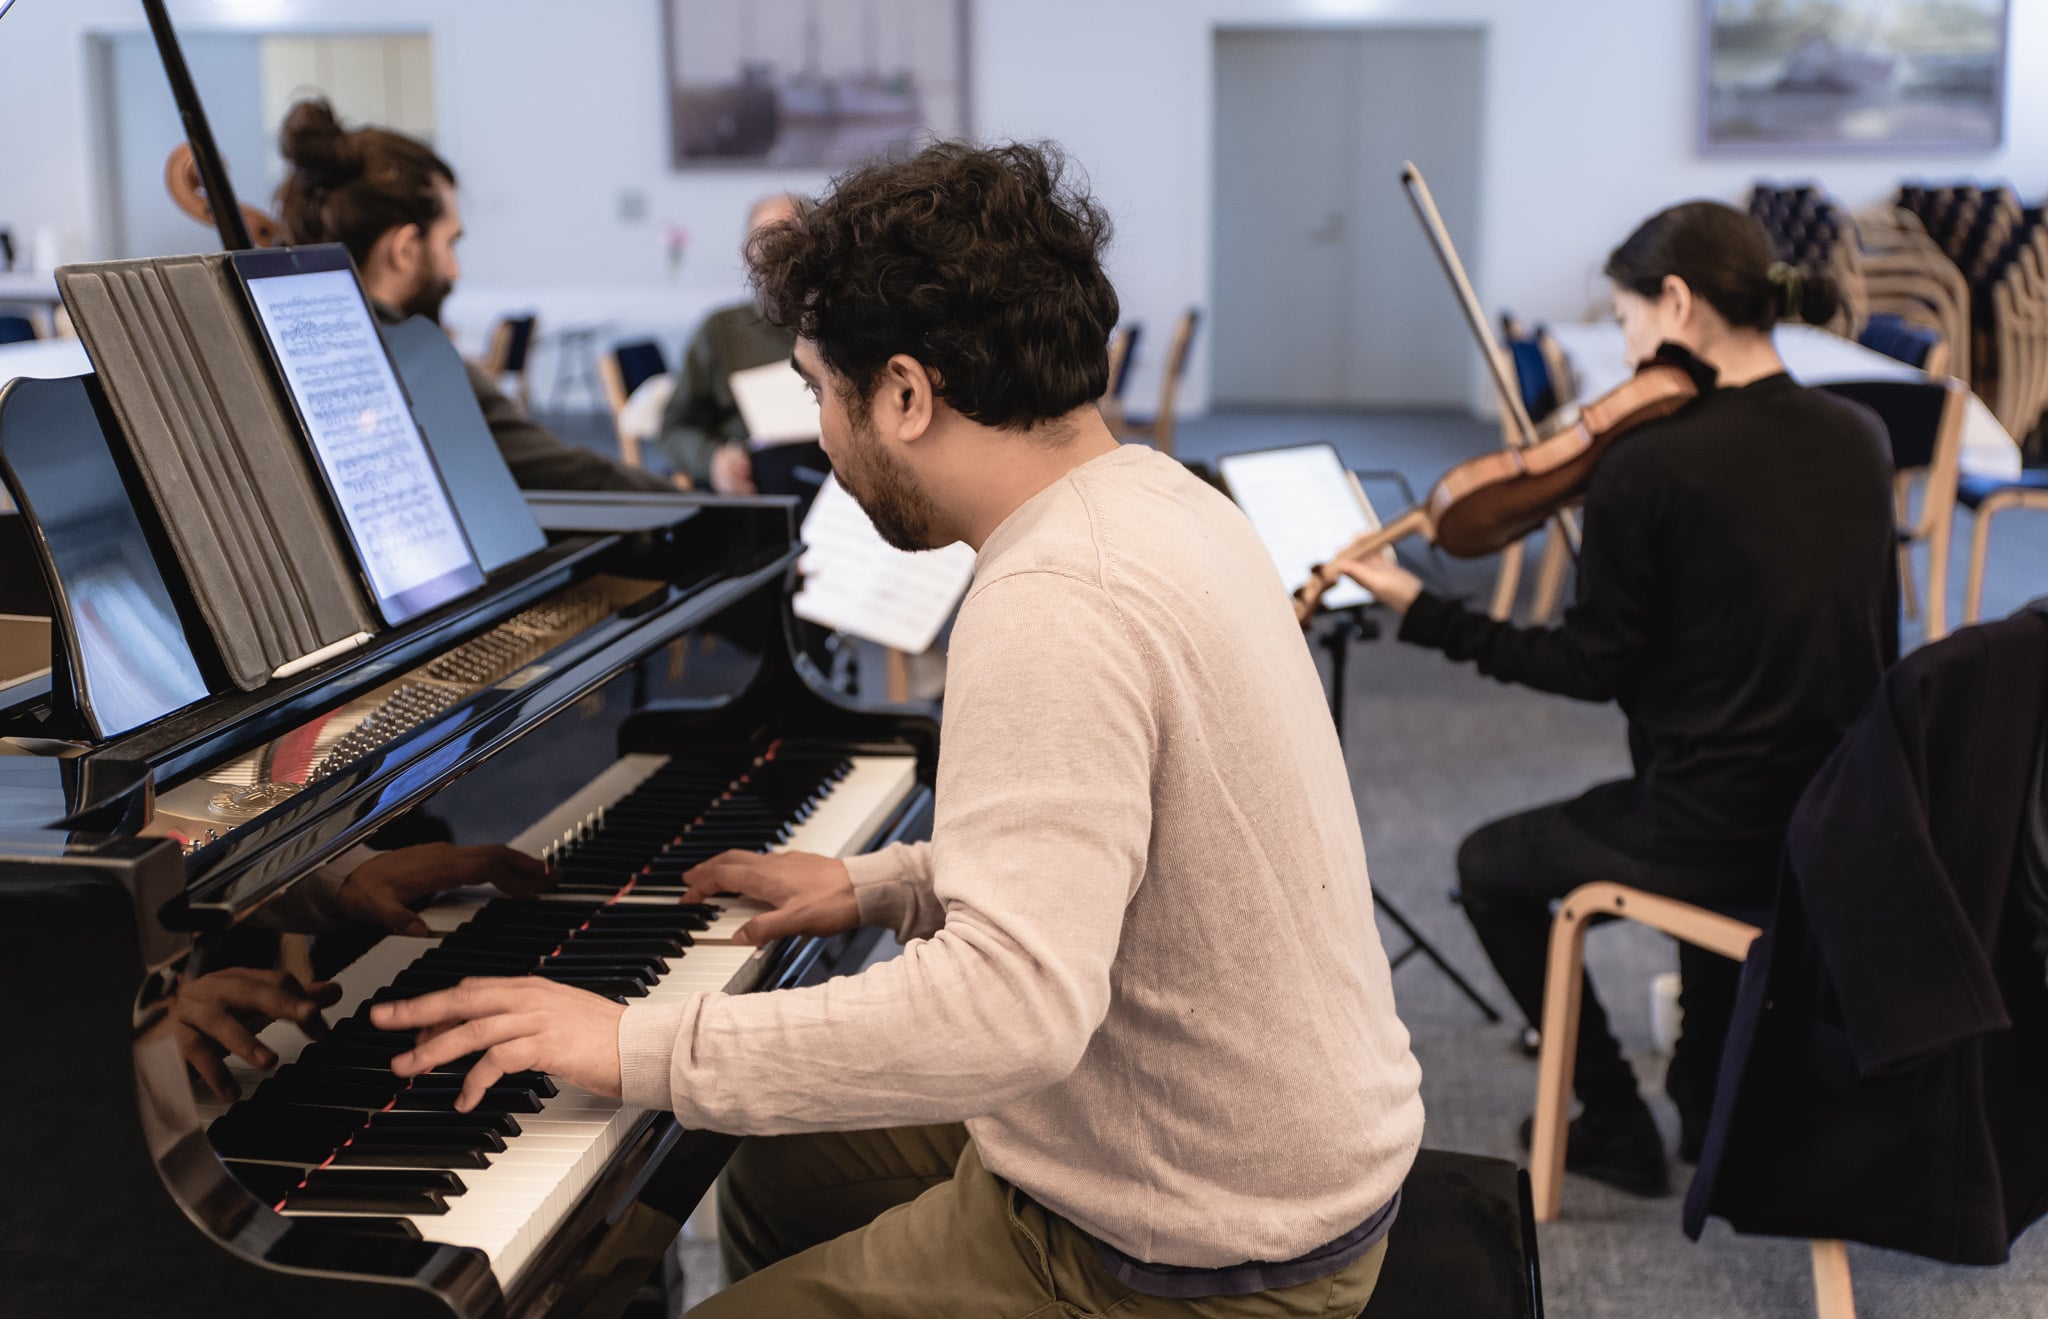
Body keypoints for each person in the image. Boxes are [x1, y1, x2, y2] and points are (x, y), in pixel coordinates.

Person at [370, 141, 1425, 1316]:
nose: (822, 431)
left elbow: (1007, 1010)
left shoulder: (1053, 597)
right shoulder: (1170, 501)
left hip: (1188, 1238)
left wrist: (635, 1044)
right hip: (1263, 1141)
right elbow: (1118, 842)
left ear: (907, 394)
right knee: (775, 1168)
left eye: (822, 389)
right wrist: (880, 885)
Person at [1334, 201, 1894, 1196]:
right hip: (1839, 815)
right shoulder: (1858, 436)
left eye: (1626, 314)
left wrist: (1426, 610)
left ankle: (1610, 1118)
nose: (1626, 343)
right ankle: (1707, 1096)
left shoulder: (1649, 462)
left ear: (1674, 301)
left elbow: (1583, 669)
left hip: (1705, 823)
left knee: (1489, 865)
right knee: (1701, 802)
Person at [274, 99, 673, 494]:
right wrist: (692, 503)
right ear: (406, 249)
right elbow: (573, 475)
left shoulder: (287, 348)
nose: (454, 270)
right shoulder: (419, 363)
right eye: (450, 243)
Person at [651, 196, 816, 496]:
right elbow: (674, 427)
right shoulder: (721, 330)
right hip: (757, 488)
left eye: (793, 241)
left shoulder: (838, 326)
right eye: (766, 243)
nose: (779, 258)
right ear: (747, 257)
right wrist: (713, 460)